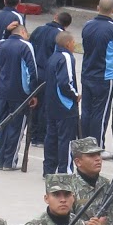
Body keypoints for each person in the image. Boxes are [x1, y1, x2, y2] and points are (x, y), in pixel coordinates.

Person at [79, 0, 113, 146]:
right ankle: (97, 146)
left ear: (97, 8)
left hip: (87, 73)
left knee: (86, 111)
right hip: (104, 77)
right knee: (100, 114)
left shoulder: (87, 25)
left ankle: (84, 144)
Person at [0, 16, 36, 169]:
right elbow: (32, 72)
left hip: (2, 91)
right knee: (16, 127)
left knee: (2, 126)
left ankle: (1, 159)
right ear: (22, 32)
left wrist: (5, 32)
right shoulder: (25, 46)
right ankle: (10, 161)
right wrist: (32, 93)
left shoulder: (1, 44)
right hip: (19, 93)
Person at [26, 11, 70, 148]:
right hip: (47, 73)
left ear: (55, 17)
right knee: (45, 105)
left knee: (34, 104)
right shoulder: (60, 36)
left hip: (34, 70)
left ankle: (32, 134)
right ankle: (40, 136)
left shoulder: (39, 30)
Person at [41, 30, 79, 175]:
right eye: (73, 42)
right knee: (67, 140)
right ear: (68, 43)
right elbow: (65, 83)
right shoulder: (67, 58)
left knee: (51, 138)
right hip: (65, 105)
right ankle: (66, 171)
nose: (74, 45)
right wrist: (75, 95)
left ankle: (48, 170)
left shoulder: (52, 57)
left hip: (51, 105)